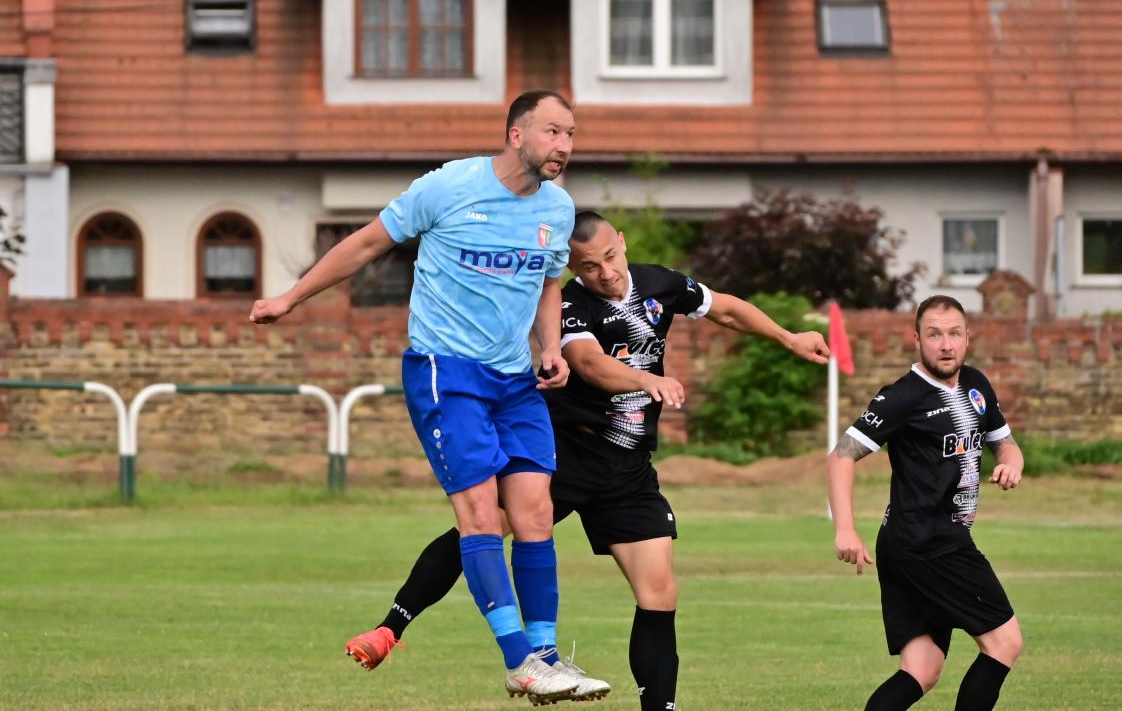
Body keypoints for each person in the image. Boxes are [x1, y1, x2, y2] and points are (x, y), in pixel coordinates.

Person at [344, 211, 832, 711]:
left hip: (628, 469)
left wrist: (789, 337)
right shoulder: (568, 304)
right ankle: (390, 628)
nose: (606, 272)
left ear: (622, 242)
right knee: (482, 526)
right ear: (571, 267)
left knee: (660, 594)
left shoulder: (659, 283)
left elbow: (725, 308)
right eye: (589, 266)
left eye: (610, 257)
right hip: (565, 455)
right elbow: (588, 363)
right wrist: (647, 380)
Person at [250, 90, 587, 704]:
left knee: (535, 513)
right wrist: (289, 298)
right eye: (552, 132)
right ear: (516, 135)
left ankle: (545, 657)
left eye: (570, 134)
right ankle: (520, 661)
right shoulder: (448, 186)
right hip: (446, 372)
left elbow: (548, 282)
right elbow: (365, 244)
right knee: (479, 514)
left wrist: (551, 347)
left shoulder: (558, 209)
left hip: (515, 380)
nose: (563, 146)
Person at [827, 295, 1025, 711]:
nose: (946, 345)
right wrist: (845, 529)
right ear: (916, 339)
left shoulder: (976, 384)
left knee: (922, 669)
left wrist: (1011, 464)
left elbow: (1006, 445)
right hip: (929, 544)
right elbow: (841, 455)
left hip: (911, 544)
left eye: (954, 334)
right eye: (934, 335)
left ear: (968, 337)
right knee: (1004, 643)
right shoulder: (903, 397)